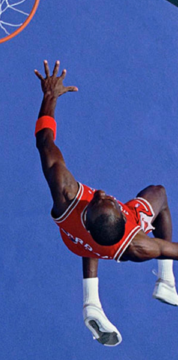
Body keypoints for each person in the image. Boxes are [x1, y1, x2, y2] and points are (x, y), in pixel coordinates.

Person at [34, 60, 178, 347]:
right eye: (109, 201)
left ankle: (91, 304)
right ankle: (166, 281)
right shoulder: (138, 245)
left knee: (92, 241)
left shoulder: (65, 195)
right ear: (124, 217)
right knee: (158, 193)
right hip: (99, 242)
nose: (102, 193)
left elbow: (44, 141)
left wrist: (49, 96)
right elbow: (169, 249)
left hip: (74, 238)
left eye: (101, 200)